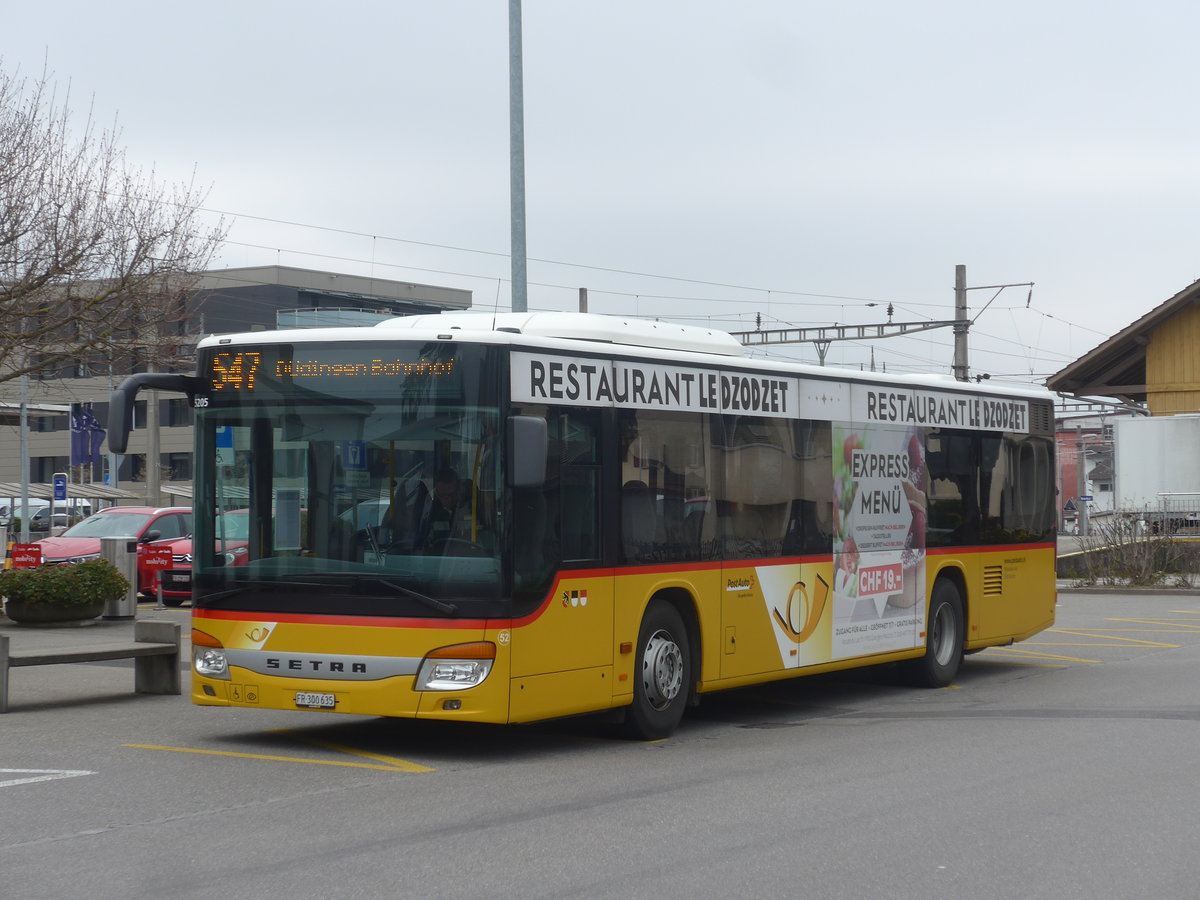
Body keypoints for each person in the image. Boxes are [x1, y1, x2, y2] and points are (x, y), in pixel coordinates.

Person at [415, 467, 464, 554]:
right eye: (442, 495)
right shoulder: (429, 512)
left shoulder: (471, 508)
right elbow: (422, 544)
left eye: (451, 494)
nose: (447, 499)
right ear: (436, 492)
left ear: (459, 490)